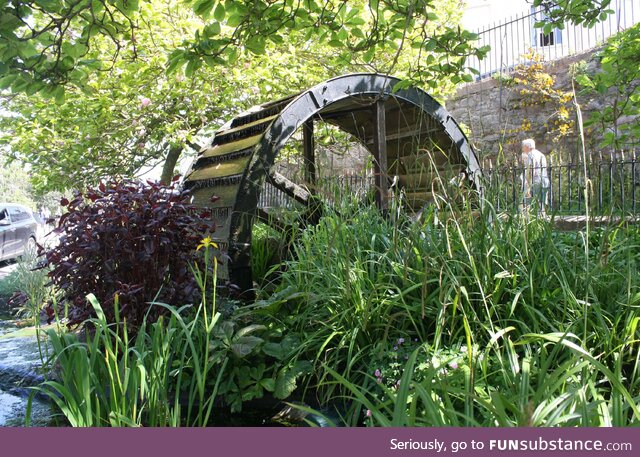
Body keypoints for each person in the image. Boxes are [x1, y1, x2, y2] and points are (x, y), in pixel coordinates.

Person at [521, 138, 550, 213]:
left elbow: (531, 170)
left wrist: (528, 183)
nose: (523, 149)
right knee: (541, 203)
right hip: (544, 180)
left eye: (523, 147)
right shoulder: (541, 154)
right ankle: (541, 218)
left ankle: (529, 219)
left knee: (529, 202)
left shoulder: (531, 154)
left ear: (527, 147)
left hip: (535, 181)